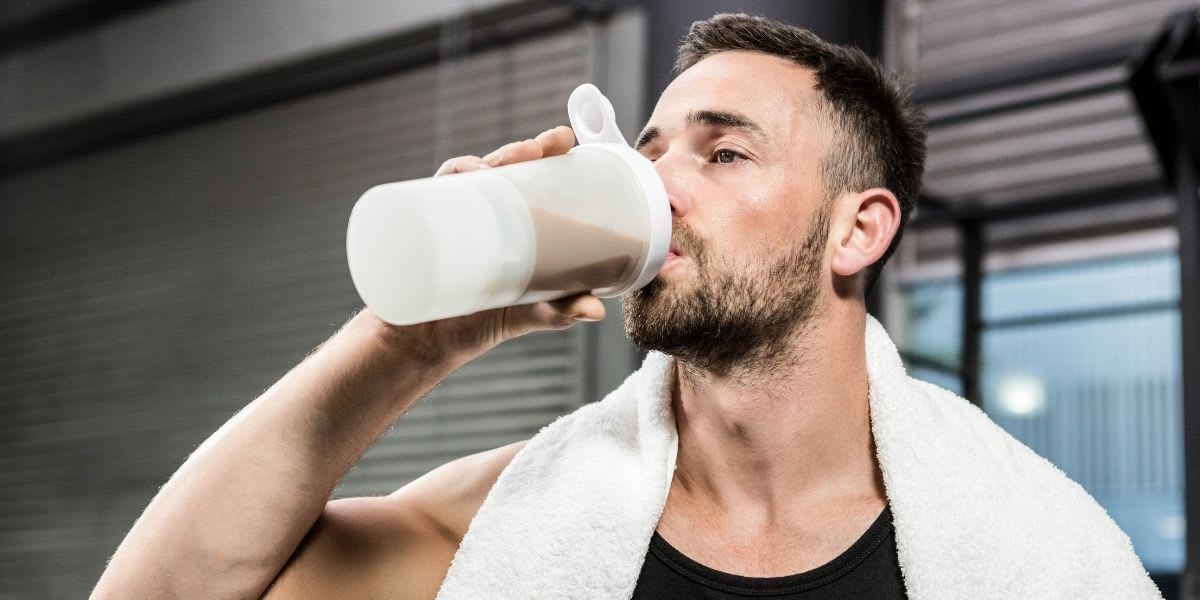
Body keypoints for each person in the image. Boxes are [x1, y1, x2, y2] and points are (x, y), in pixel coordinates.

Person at [93, 13, 1160, 600]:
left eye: (724, 152)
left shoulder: (1033, 546)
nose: (657, 189)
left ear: (859, 230)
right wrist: (404, 340)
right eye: (645, 156)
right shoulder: (516, 515)